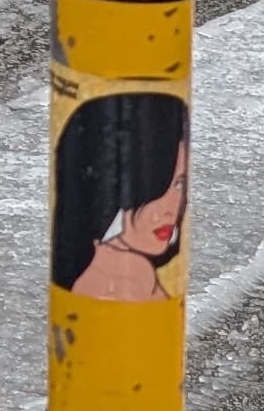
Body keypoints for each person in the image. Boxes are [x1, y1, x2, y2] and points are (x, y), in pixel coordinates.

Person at [51, 88, 189, 301]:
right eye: (156, 184)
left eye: (179, 184)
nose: (172, 206)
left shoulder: (105, 267)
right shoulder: (131, 278)